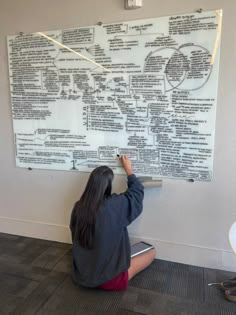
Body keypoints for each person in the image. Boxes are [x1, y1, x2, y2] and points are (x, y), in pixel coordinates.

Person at [70, 156, 156, 290]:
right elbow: (136, 193)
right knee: (151, 252)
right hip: (111, 280)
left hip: (82, 275)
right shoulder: (115, 204)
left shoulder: (78, 207)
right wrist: (128, 169)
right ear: (108, 185)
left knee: (130, 249)